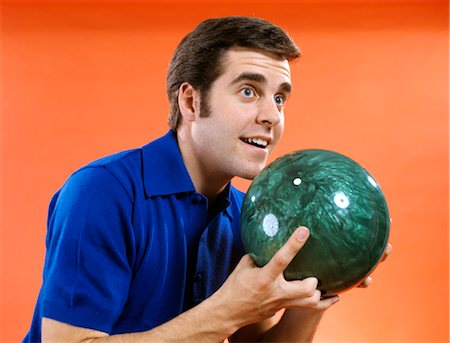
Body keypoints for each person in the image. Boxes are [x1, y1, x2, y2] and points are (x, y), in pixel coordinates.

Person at [24, 16, 391, 342]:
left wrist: (312, 293)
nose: (272, 116)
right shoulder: (102, 193)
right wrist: (227, 311)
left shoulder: (248, 213)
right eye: (249, 91)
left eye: (280, 98)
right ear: (191, 103)